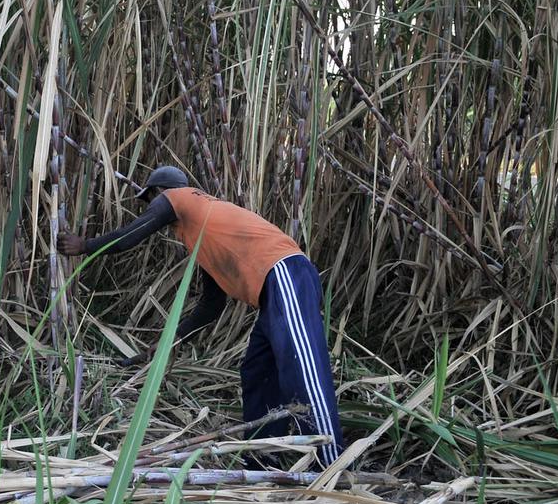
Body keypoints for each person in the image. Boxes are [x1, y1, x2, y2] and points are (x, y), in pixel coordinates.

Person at [57, 166, 344, 465]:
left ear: (159, 192)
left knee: (302, 369)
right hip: (272, 291)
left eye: (151, 200)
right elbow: (211, 306)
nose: (154, 210)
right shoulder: (205, 227)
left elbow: (129, 236)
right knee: (258, 371)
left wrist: (85, 246)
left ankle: (330, 462)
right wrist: (171, 340)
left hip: (285, 274)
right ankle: (263, 459)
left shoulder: (179, 198)